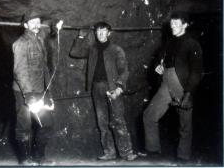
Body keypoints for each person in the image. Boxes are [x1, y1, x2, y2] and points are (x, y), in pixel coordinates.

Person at [69, 21, 137, 162]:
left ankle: (127, 152)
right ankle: (109, 152)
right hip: (96, 88)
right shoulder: (92, 49)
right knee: (102, 122)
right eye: (98, 31)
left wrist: (119, 88)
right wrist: (80, 37)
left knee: (118, 120)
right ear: (95, 33)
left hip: (112, 87)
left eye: (103, 31)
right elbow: (74, 53)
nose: (100, 34)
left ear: (109, 33)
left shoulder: (116, 50)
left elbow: (124, 71)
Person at [143, 11, 203, 163]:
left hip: (181, 84)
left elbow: (196, 71)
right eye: (172, 24)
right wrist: (158, 66)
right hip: (166, 82)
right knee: (149, 115)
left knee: (185, 124)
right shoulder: (168, 42)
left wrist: (188, 94)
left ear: (185, 25)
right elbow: (159, 60)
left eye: (177, 24)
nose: (173, 26)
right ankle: (153, 151)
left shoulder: (192, 43)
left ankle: (183, 157)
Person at [12, 10, 63, 165]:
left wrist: (47, 90)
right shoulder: (20, 43)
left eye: (37, 21)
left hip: (40, 90)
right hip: (23, 91)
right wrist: (28, 95)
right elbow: (20, 71)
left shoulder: (39, 40)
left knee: (46, 124)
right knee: (24, 125)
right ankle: (25, 159)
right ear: (25, 25)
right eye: (31, 22)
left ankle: (39, 157)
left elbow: (44, 68)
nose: (35, 25)